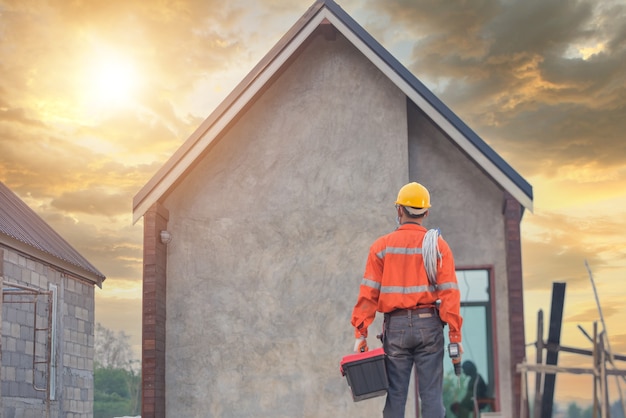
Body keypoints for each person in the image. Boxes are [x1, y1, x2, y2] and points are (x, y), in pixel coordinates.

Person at [350, 182, 463, 418]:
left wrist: (361, 333)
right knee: (431, 396)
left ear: (399, 210)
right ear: (426, 212)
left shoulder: (381, 247)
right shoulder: (439, 247)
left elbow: (368, 293)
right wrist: (455, 336)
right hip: (429, 326)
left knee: (396, 396)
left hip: (396, 329)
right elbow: (450, 294)